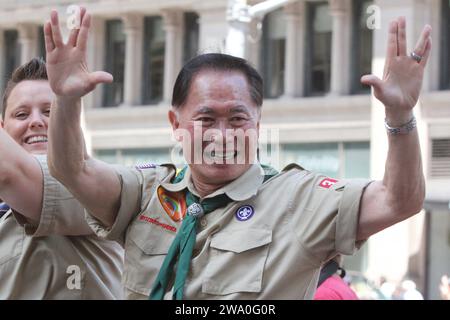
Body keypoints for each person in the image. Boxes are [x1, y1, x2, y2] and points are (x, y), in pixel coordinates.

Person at [45, 7, 431, 299]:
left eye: (238, 118)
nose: (224, 134)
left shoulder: (298, 200)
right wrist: (65, 101)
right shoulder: (146, 193)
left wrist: (400, 115)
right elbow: (71, 168)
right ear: (175, 124)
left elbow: (398, 200)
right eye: (206, 118)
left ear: (258, 126)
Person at [0, 57, 123, 299]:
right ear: (3, 128)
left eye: (50, 111)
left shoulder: (98, 183)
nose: (36, 122)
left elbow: (10, 174)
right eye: (22, 114)